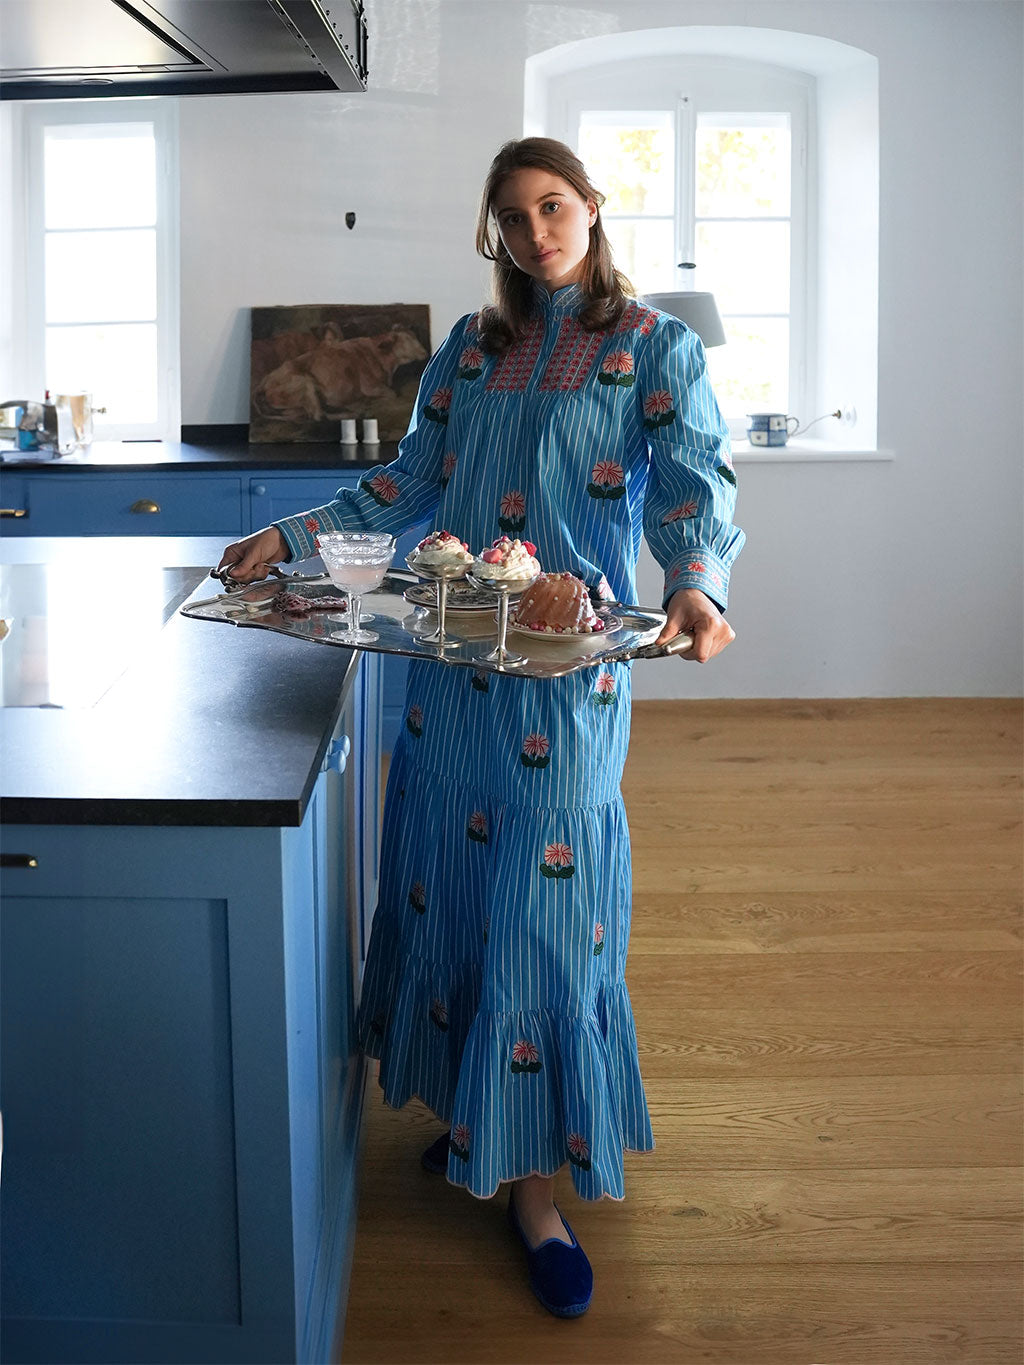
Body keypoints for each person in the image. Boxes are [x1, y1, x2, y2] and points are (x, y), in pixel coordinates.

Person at [218, 136, 743, 1318]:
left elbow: (694, 485)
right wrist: (291, 536)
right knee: (449, 893)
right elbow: (405, 483)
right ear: (494, 232)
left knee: (548, 918)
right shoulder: (471, 348)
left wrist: (698, 584)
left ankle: (537, 1193)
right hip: (450, 676)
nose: (535, 230)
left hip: (567, 682)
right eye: (511, 215)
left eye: (553, 206)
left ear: (592, 211)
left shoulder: (655, 347)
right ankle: (479, 1122)